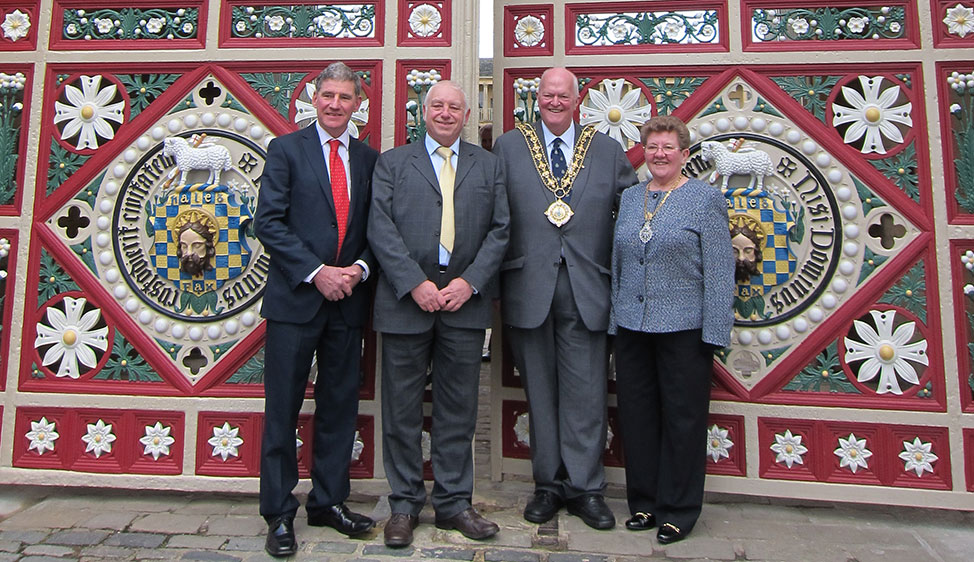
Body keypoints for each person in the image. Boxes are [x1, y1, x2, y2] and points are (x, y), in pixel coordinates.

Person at [492, 67, 637, 530]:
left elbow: (630, 218)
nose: (555, 102)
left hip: (587, 287)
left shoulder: (608, 150)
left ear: (579, 99)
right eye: (547, 95)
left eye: (563, 95)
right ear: (538, 99)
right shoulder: (510, 147)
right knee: (539, 391)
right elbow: (493, 216)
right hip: (528, 286)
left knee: (587, 392)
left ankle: (586, 488)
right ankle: (547, 485)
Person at [368, 80, 510, 548]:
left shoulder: (488, 166)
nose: (446, 113)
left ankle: (453, 503)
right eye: (437, 106)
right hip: (407, 302)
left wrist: (470, 283)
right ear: (423, 112)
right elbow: (380, 228)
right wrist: (415, 283)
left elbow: (501, 230)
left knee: (458, 410)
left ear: (466, 115)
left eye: (455, 107)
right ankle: (405, 505)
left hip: (464, 303)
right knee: (403, 409)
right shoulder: (392, 162)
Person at [254, 62, 379, 558]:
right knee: (282, 409)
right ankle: (279, 514)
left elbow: (377, 229)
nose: (334, 104)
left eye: (345, 97)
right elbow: (269, 223)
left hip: (348, 303)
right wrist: (316, 272)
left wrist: (360, 269)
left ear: (357, 105)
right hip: (295, 301)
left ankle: (329, 502)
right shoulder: (286, 150)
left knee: (338, 409)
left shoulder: (370, 160)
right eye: (327, 94)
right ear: (314, 98)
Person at [609, 115, 734, 545]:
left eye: (668, 148)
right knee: (637, 418)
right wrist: (614, 322)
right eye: (653, 147)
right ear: (644, 151)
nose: (659, 155)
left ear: (684, 154)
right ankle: (643, 502)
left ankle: (679, 509)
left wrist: (714, 333)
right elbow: (619, 266)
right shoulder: (630, 198)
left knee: (683, 421)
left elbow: (720, 272)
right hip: (632, 327)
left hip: (684, 330)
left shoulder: (704, 199)